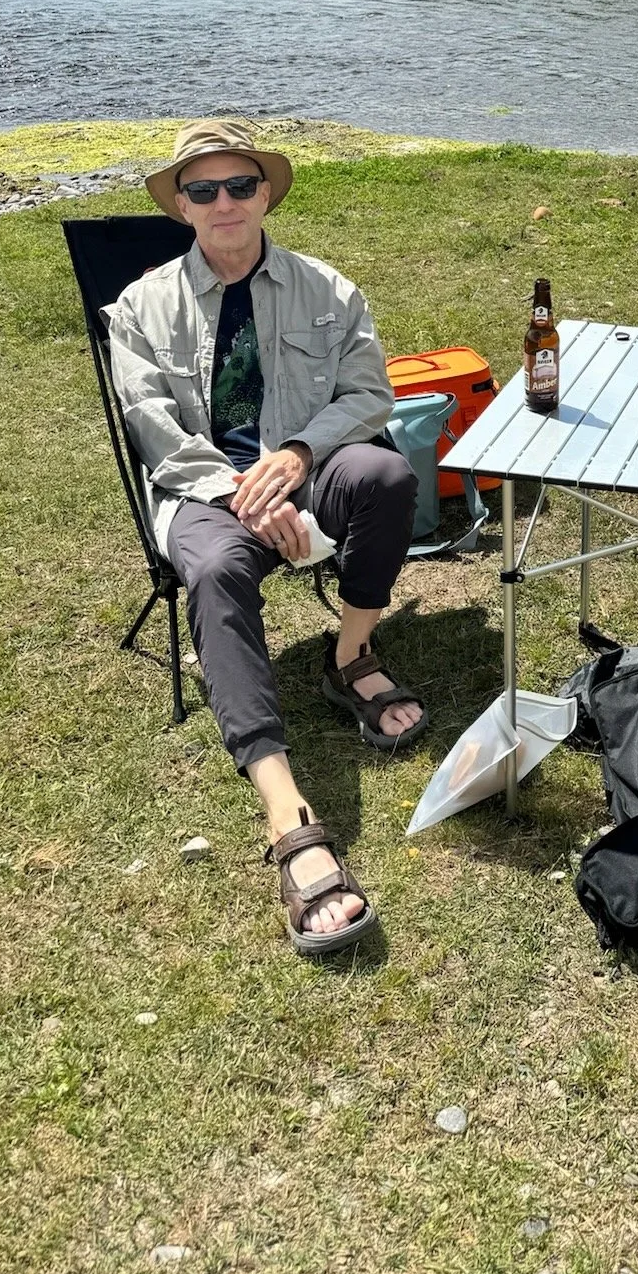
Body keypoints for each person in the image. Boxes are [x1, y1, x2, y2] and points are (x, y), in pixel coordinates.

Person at [109, 119, 422, 959]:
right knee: (213, 567)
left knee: (388, 478)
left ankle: (351, 657)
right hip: (204, 488)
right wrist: (241, 493)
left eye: (239, 186)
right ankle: (287, 812)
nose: (223, 203)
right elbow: (154, 430)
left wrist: (295, 455)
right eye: (203, 190)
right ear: (181, 206)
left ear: (265, 194)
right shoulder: (139, 308)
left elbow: (369, 394)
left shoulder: (327, 289)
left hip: (301, 465)